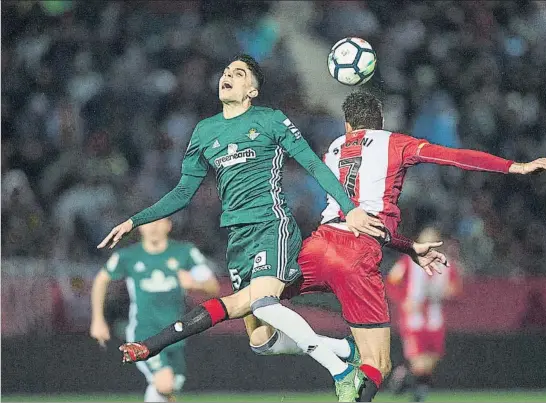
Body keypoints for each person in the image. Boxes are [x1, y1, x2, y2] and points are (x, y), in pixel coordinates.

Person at [98, 54, 387, 401]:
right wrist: (134, 220)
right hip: (237, 238)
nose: (227, 76)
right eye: (225, 72)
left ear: (252, 90)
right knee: (261, 342)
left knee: (265, 303)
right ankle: (344, 350)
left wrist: (350, 209)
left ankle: (342, 374)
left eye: (238, 73)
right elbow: (183, 192)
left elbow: (313, 163)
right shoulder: (205, 131)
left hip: (271, 225)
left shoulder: (270, 120)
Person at [242, 90, 546, 402]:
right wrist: (514, 166)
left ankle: (316, 344)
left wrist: (408, 247)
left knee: (254, 307)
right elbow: (453, 156)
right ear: (380, 121)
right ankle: (342, 360)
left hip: (319, 242)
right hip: (358, 255)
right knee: (378, 365)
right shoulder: (395, 143)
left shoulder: (334, 148)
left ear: (347, 125)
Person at [90, 218, 219, 402]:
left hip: (176, 333)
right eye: (148, 223)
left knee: (170, 387)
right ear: (140, 228)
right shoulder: (128, 256)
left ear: (169, 225)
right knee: (164, 382)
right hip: (144, 332)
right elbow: (101, 280)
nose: (153, 227)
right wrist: (97, 319)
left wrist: (195, 284)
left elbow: (213, 286)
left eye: (159, 222)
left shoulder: (185, 252)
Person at [387, 227, 462, 402]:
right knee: (420, 362)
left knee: (430, 363)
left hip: (435, 320)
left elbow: (455, 289)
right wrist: (404, 300)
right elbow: (391, 283)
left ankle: (404, 374)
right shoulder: (407, 262)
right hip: (414, 320)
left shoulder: (447, 264)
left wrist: (448, 292)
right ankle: (418, 394)